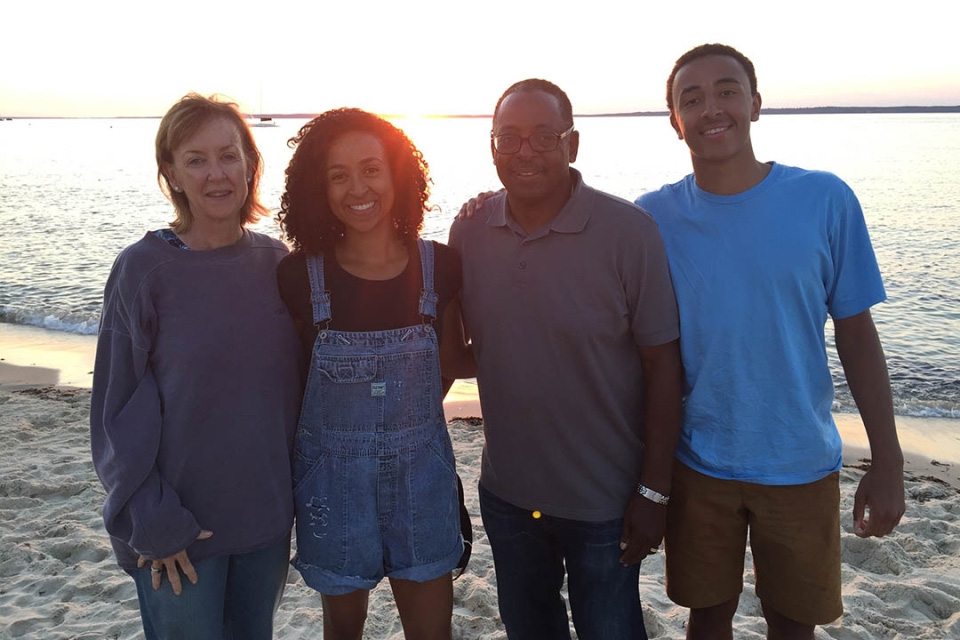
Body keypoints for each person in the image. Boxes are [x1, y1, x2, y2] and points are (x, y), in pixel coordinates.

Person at [634, 44, 906, 639]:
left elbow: (857, 336)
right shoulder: (650, 218)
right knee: (707, 617)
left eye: (727, 91)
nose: (712, 108)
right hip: (698, 460)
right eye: (692, 98)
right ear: (675, 121)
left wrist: (887, 460)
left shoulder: (824, 199)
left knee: (793, 622)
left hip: (800, 461)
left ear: (755, 104)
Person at [448, 79, 683, 640]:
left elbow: (663, 369)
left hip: (603, 501)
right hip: (507, 496)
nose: (524, 151)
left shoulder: (629, 232)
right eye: (509, 138)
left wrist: (654, 492)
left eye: (543, 137)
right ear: (491, 146)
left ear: (572, 144)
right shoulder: (469, 229)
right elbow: (456, 353)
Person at [90, 94, 302, 640]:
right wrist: (153, 521)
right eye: (196, 159)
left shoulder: (277, 263)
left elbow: (295, 396)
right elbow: (115, 414)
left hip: (265, 523)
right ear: (171, 173)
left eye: (229, 156)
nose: (217, 174)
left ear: (251, 164)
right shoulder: (143, 270)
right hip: (178, 531)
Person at [275, 108, 474, 640]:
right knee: (343, 629)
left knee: (432, 630)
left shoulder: (441, 266)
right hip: (331, 486)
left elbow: (452, 360)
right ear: (319, 188)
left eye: (371, 169)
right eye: (337, 175)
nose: (356, 188)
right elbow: (291, 384)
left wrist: (404, 426)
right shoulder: (298, 277)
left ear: (398, 175)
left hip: (423, 485)